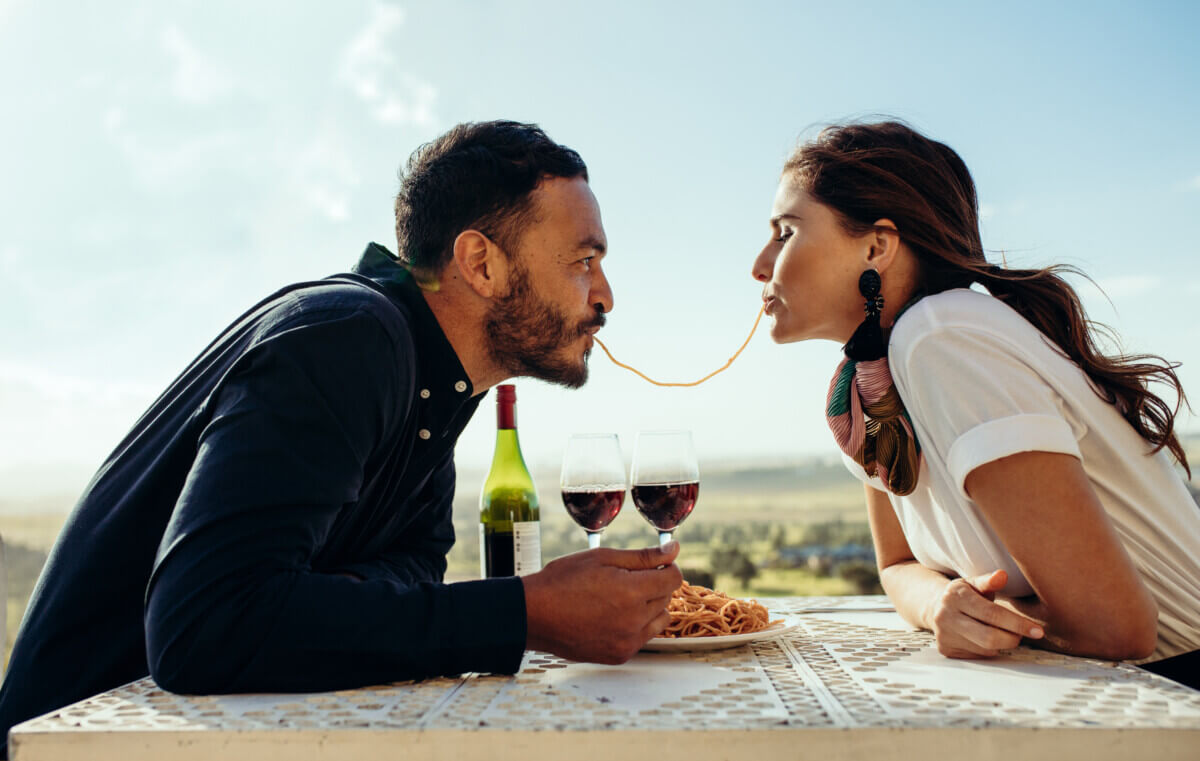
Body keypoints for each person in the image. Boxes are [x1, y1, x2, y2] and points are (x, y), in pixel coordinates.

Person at [0, 120, 683, 751]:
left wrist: (316, 595)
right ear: (479, 263)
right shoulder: (347, 337)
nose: (604, 296)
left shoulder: (435, 386)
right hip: (74, 742)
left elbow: (418, 566)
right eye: (581, 261)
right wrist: (523, 612)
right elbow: (204, 626)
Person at [751, 121, 1200, 687]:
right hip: (1104, 688)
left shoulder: (944, 337)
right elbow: (896, 567)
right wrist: (941, 604)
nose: (760, 265)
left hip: (1177, 688)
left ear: (876, 246)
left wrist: (985, 622)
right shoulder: (869, 383)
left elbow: (1114, 629)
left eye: (785, 232)